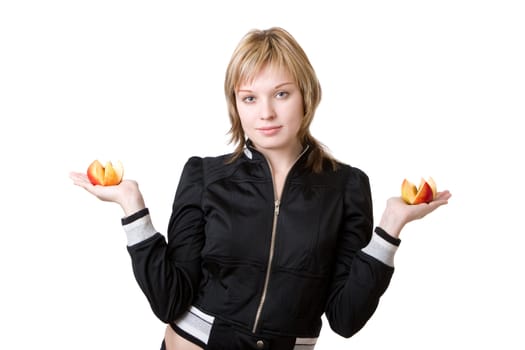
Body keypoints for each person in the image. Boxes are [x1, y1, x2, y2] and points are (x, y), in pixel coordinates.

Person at [70, 27, 451, 350]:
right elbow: (170, 301)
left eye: (281, 94)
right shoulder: (203, 176)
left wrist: (390, 229)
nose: (265, 113)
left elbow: (345, 319)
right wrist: (132, 208)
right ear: (236, 106)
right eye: (249, 98)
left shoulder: (346, 186)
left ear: (307, 95)